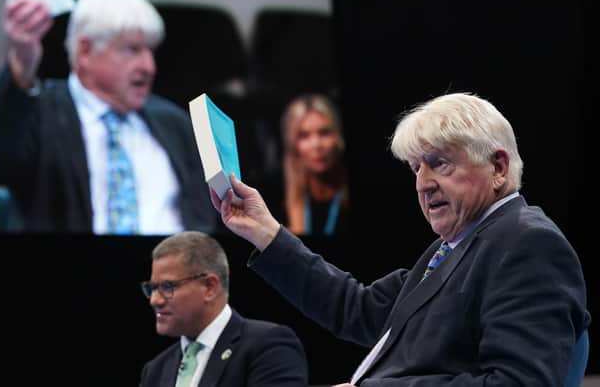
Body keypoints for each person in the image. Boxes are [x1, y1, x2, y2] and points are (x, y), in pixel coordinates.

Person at [210, 92, 591, 385]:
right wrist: (266, 233)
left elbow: (518, 383)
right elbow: (355, 309)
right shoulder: (452, 247)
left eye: (439, 162)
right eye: (416, 167)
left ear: (497, 167)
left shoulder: (528, 245)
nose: (423, 183)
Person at [0, 0, 216, 234]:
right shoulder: (41, 113)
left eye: (150, 51)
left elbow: (204, 220)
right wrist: (21, 66)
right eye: (132, 49)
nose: (148, 66)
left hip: (171, 270)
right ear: (85, 51)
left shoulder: (175, 123)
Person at [138, 230, 309, 387]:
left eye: (168, 286)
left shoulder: (268, 347)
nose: (155, 300)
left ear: (209, 287)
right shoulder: (155, 370)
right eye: (152, 288)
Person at [280, 93, 350, 235]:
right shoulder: (276, 201)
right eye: (304, 135)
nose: (316, 145)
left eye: (324, 133)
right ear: (293, 145)